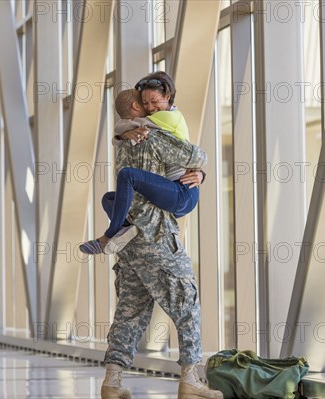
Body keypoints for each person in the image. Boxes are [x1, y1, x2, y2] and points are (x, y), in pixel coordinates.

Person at [100, 76, 222, 399]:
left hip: (130, 241)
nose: (153, 109)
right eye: (148, 104)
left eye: (157, 104)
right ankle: (191, 379)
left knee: (130, 310)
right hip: (156, 235)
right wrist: (200, 172)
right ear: (139, 105)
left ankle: (112, 381)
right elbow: (197, 156)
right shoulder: (153, 135)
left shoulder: (124, 139)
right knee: (187, 301)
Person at [79, 72, 204, 255]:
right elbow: (127, 126)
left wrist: (122, 134)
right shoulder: (159, 118)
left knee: (128, 176)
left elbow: (124, 125)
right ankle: (128, 227)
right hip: (171, 190)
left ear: (167, 97)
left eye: (154, 101)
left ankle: (110, 235)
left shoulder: (168, 118)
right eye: (146, 103)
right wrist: (123, 134)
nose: (150, 107)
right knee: (109, 198)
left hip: (182, 193)